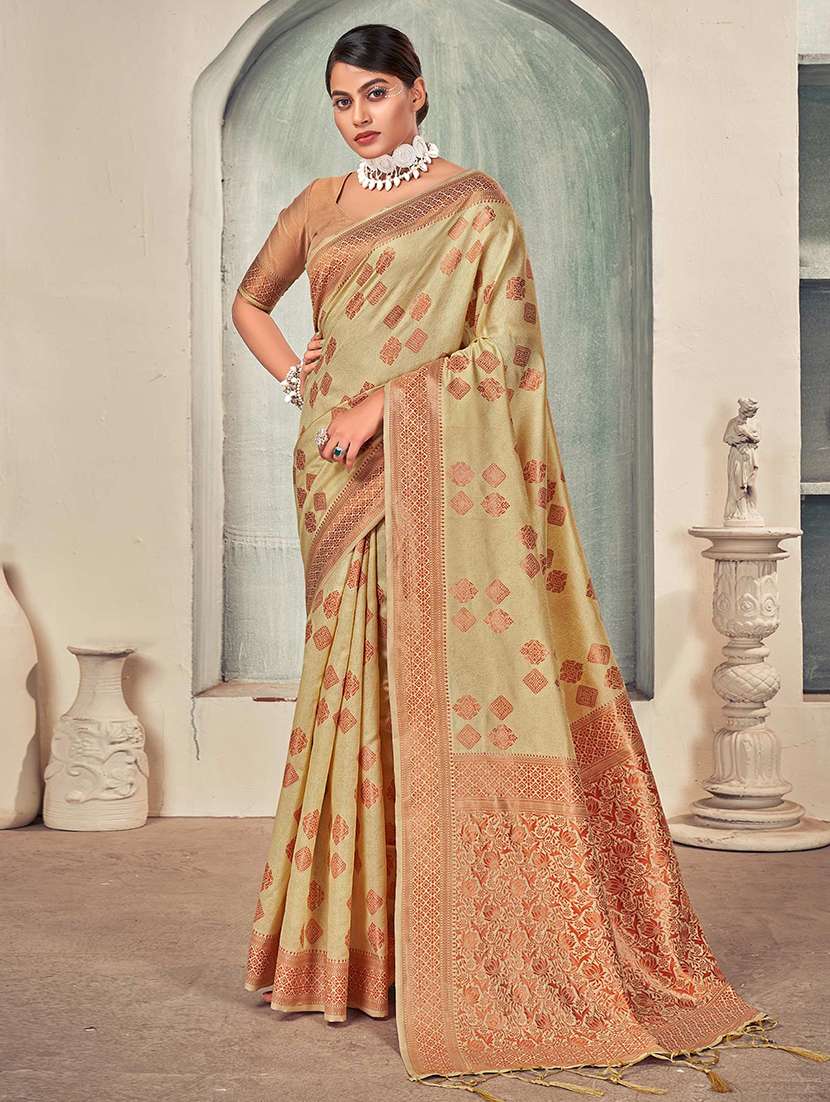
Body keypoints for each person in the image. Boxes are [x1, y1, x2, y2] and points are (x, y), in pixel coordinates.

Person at [231, 22, 828, 1100]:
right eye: (342, 100)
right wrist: (299, 381)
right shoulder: (318, 205)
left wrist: (385, 402)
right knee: (350, 689)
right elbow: (251, 300)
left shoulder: (474, 208)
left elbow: (502, 355)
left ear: (417, 93)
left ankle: (449, 950)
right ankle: (355, 954)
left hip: (418, 461)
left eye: (376, 94)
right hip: (335, 474)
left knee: (427, 687)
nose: (359, 116)